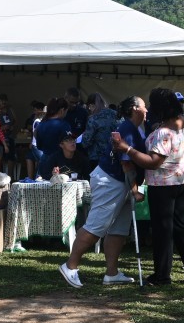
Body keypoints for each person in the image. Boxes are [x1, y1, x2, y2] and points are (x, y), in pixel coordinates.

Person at [112, 87, 184, 286]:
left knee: (163, 229)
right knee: (179, 224)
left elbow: (154, 162)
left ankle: (162, 275)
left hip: (163, 183)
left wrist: (127, 149)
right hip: (183, 178)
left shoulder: (163, 132)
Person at [59, 95, 146, 288]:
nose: (146, 110)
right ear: (134, 109)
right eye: (143, 107)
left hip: (120, 183)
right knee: (96, 226)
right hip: (111, 181)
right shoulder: (127, 129)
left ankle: (111, 273)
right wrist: (134, 190)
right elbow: (126, 163)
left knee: (119, 230)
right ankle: (70, 266)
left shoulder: (134, 128)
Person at [35, 97, 70, 170]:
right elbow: (69, 144)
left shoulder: (41, 125)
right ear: (62, 110)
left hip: (44, 160)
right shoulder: (64, 125)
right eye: (67, 111)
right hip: (60, 162)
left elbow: (39, 146)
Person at [83, 93, 117, 162]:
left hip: (97, 157)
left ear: (91, 105)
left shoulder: (93, 119)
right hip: (114, 154)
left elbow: (86, 142)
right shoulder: (115, 114)